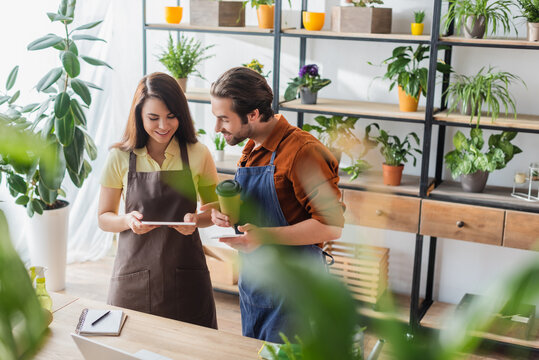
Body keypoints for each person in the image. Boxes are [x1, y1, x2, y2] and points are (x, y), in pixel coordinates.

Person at [203, 67, 345, 342]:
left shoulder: (304, 152)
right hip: (257, 283)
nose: (217, 128)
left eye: (223, 119)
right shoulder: (252, 147)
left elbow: (331, 227)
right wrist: (228, 213)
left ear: (253, 114)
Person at [98, 72, 218, 328]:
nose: (163, 125)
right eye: (153, 118)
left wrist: (196, 219)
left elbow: (216, 210)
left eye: (171, 116)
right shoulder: (119, 157)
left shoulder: (198, 153)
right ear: (139, 116)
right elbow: (104, 218)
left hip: (187, 276)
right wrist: (126, 220)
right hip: (133, 276)